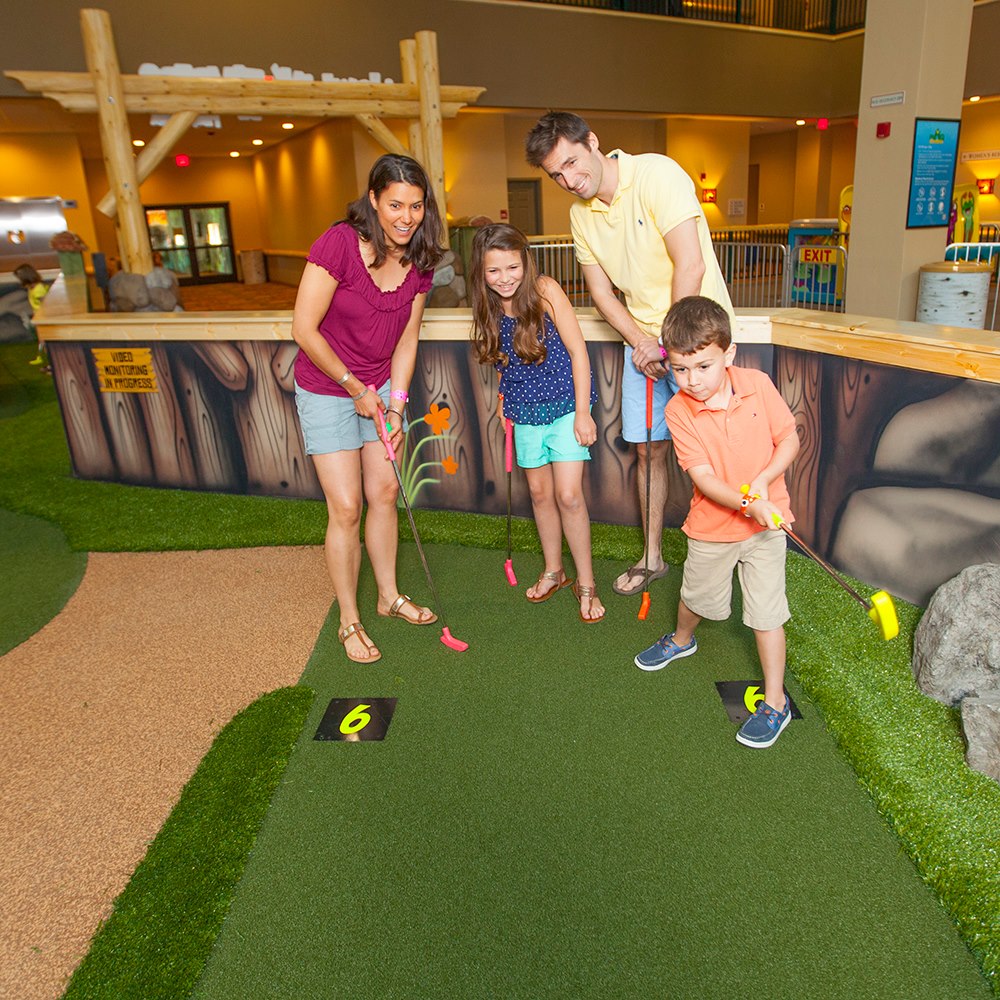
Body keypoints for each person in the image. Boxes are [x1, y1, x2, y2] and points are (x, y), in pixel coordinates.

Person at [525, 111, 734, 598]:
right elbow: (601, 294)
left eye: (574, 163)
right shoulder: (580, 217)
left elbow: (691, 263)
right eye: (557, 175)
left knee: (719, 450)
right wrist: (643, 344)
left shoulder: (657, 174)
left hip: (699, 340)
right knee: (648, 450)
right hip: (645, 347)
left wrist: (669, 345)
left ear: (593, 142)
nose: (570, 180)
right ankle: (653, 557)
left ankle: (733, 559)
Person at [291, 154, 444, 664]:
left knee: (384, 491)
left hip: (379, 388)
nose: (406, 216)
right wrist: (354, 385)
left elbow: (407, 337)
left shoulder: (421, 258)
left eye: (416, 205)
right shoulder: (338, 243)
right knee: (347, 506)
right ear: (373, 200)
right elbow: (304, 329)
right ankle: (349, 620)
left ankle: (388, 596)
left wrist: (398, 405)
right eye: (395, 204)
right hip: (328, 385)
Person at [633, 297, 800, 749]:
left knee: (767, 613)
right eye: (681, 370)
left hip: (767, 526)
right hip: (712, 528)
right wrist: (750, 503)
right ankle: (682, 639)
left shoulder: (758, 385)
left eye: (703, 367)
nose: (692, 381)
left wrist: (764, 484)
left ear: (729, 354)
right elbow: (704, 480)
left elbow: (788, 438)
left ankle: (775, 702)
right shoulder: (678, 411)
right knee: (696, 598)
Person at [469, 223, 604, 622]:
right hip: (523, 412)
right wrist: (500, 397)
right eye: (493, 271)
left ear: (525, 262)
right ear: (481, 272)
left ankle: (586, 583)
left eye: (512, 267)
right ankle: (554, 571)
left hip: (565, 407)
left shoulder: (544, 290)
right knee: (540, 495)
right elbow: (501, 359)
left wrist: (583, 413)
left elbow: (579, 354)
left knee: (568, 496)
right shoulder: (489, 304)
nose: (505, 278)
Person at [14, 263, 49, 367]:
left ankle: (52, 365)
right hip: (39, 317)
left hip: (44, 318)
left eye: (19, 277)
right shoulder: (31, 288)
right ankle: (49, 363)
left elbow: (45, 304)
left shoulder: (38, 289)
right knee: (43, 341)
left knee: (46, 341)